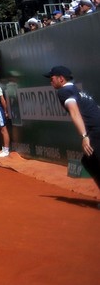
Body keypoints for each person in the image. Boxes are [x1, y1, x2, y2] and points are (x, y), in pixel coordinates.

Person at [45, 66, 100, 194]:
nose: (50, 81)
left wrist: (84, 136)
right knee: (89, 161)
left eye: (52, 78)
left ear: (61, 79)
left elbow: (75, 113)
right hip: (96, 129)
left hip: (96, 130)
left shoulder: (64, 92)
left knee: (92, 161)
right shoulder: (74, 89)